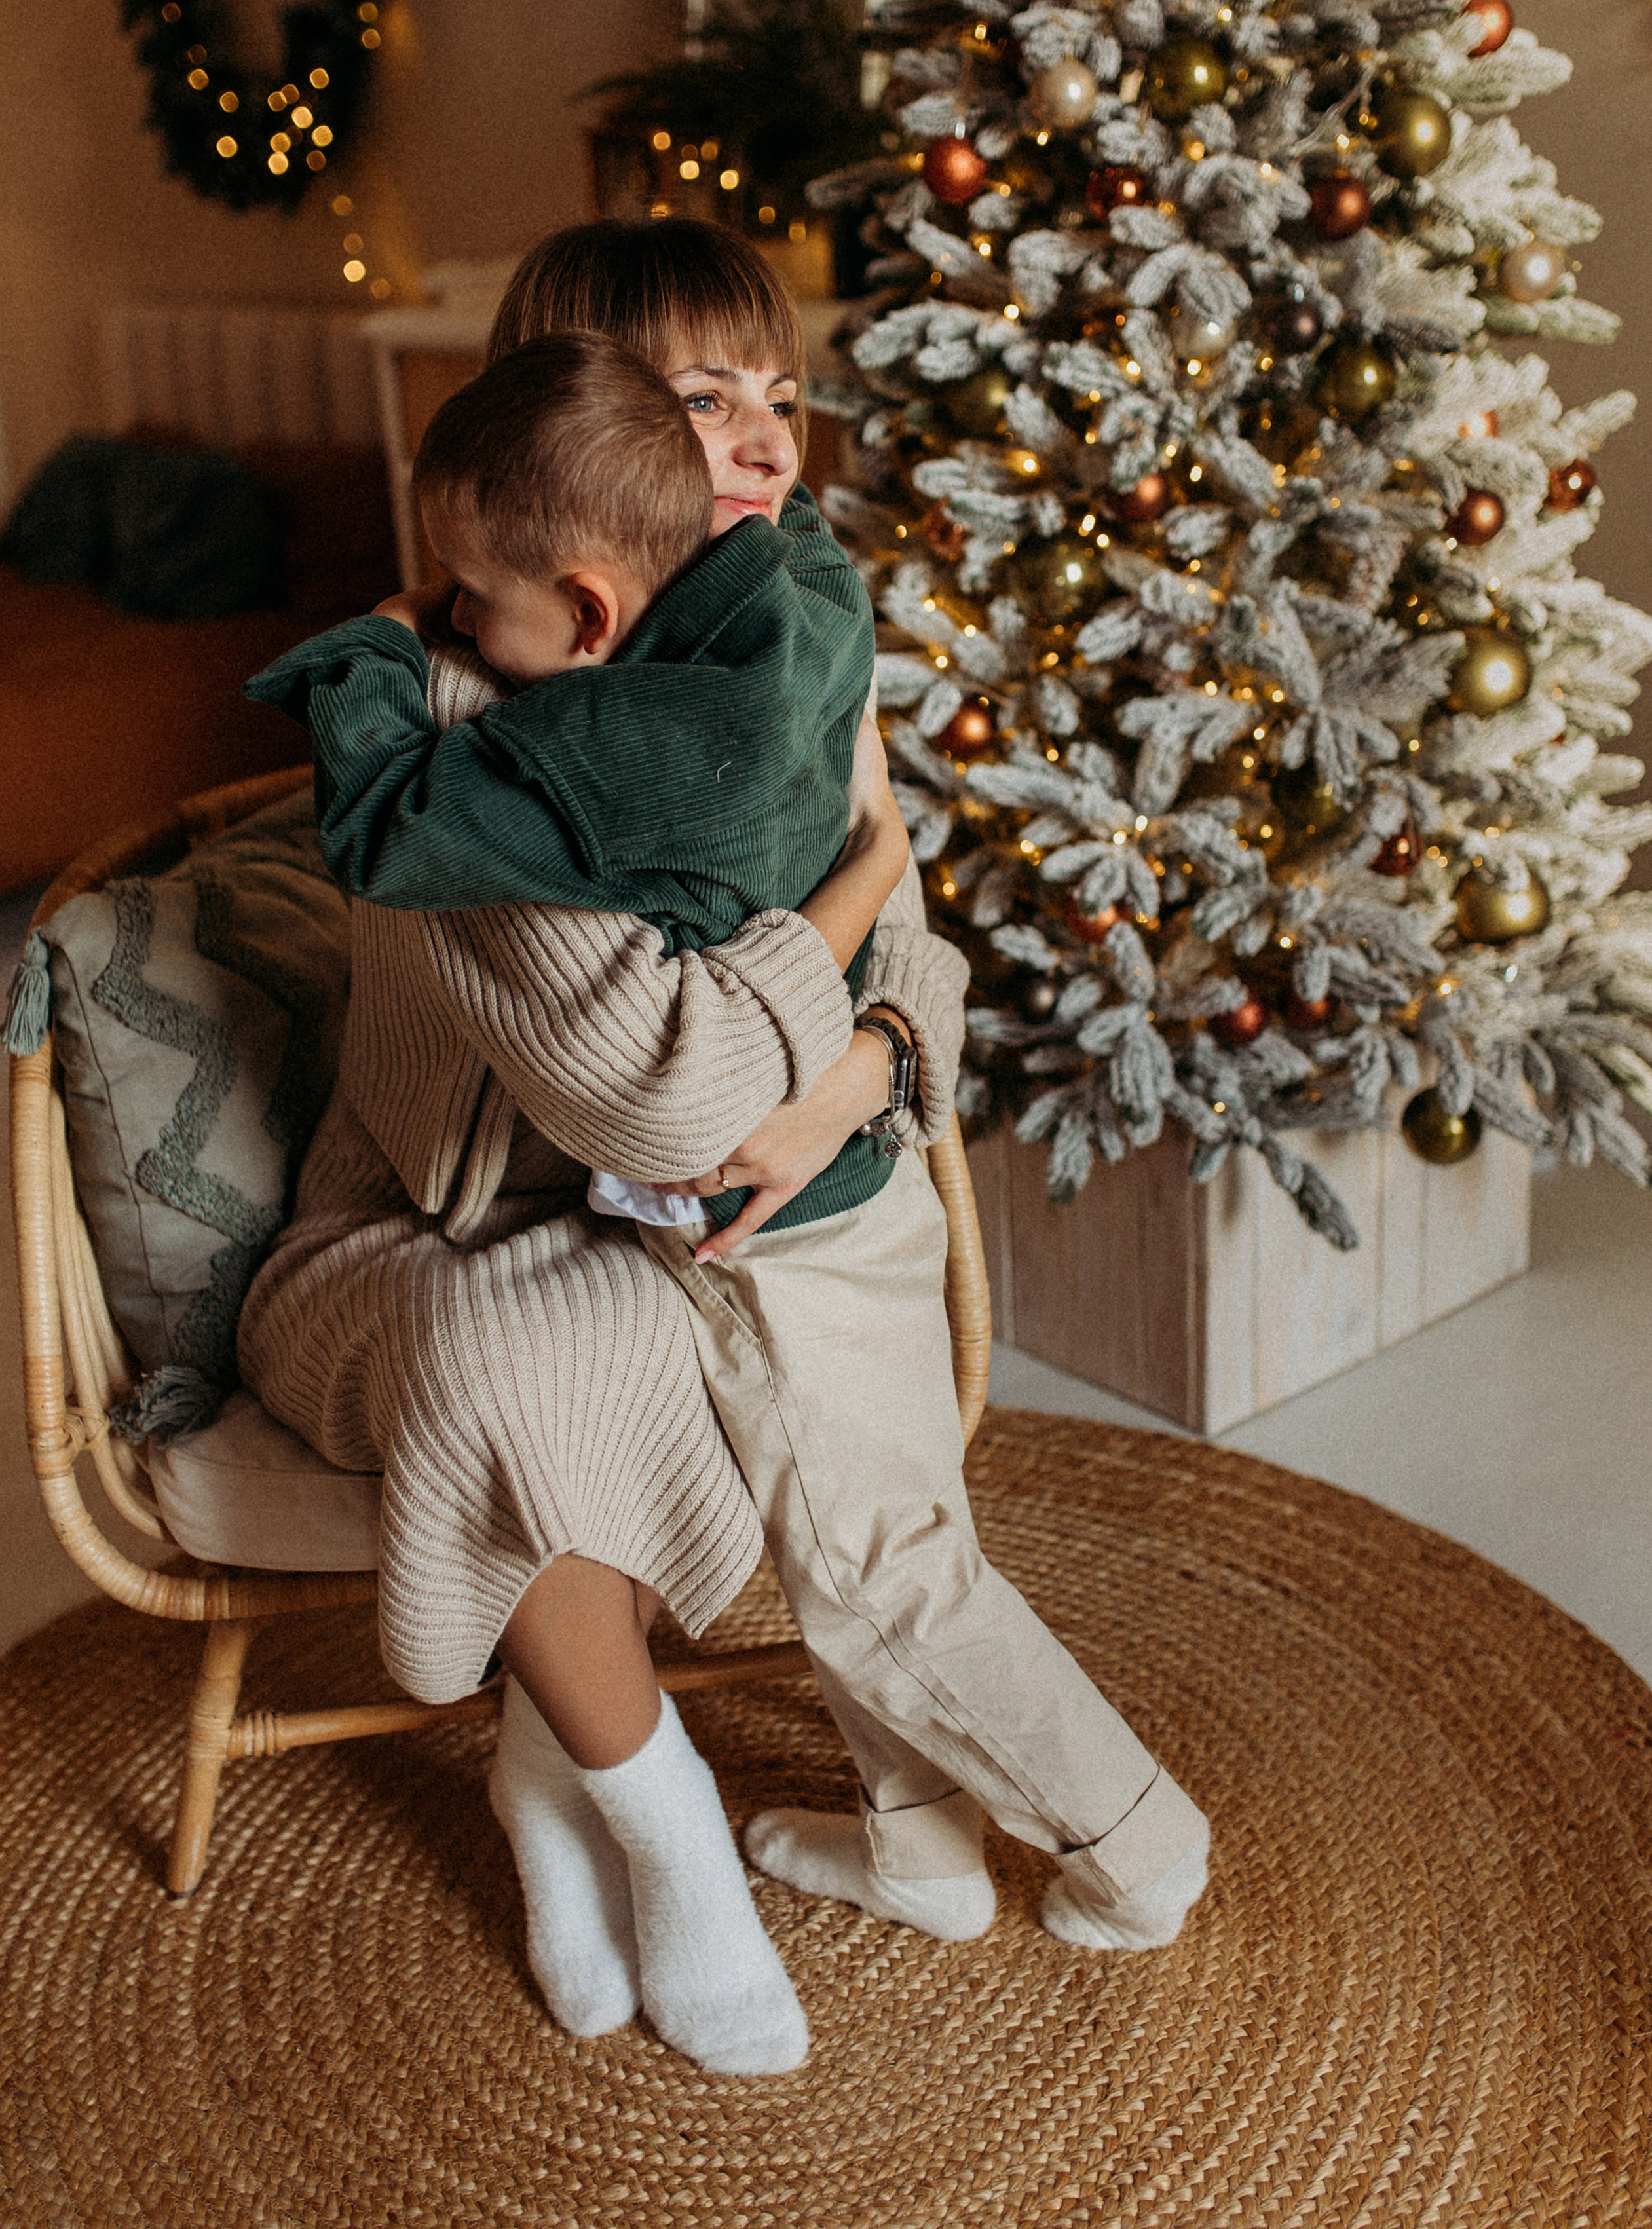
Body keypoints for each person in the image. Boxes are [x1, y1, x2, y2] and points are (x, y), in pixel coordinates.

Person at [251, 221, 1212, 2017]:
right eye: (705, 401)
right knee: (854, 1541)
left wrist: (849, 1077)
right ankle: (634, 1805)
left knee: (870, 1546)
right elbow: (676, 1083)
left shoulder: (770, 640)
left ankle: (939, 1836)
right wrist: (850, 917)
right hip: (477, 1218)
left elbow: (915, 962)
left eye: (783, 393)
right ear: (572, 441)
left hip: (736, 1203)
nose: (771, 438)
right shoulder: (487, 736)